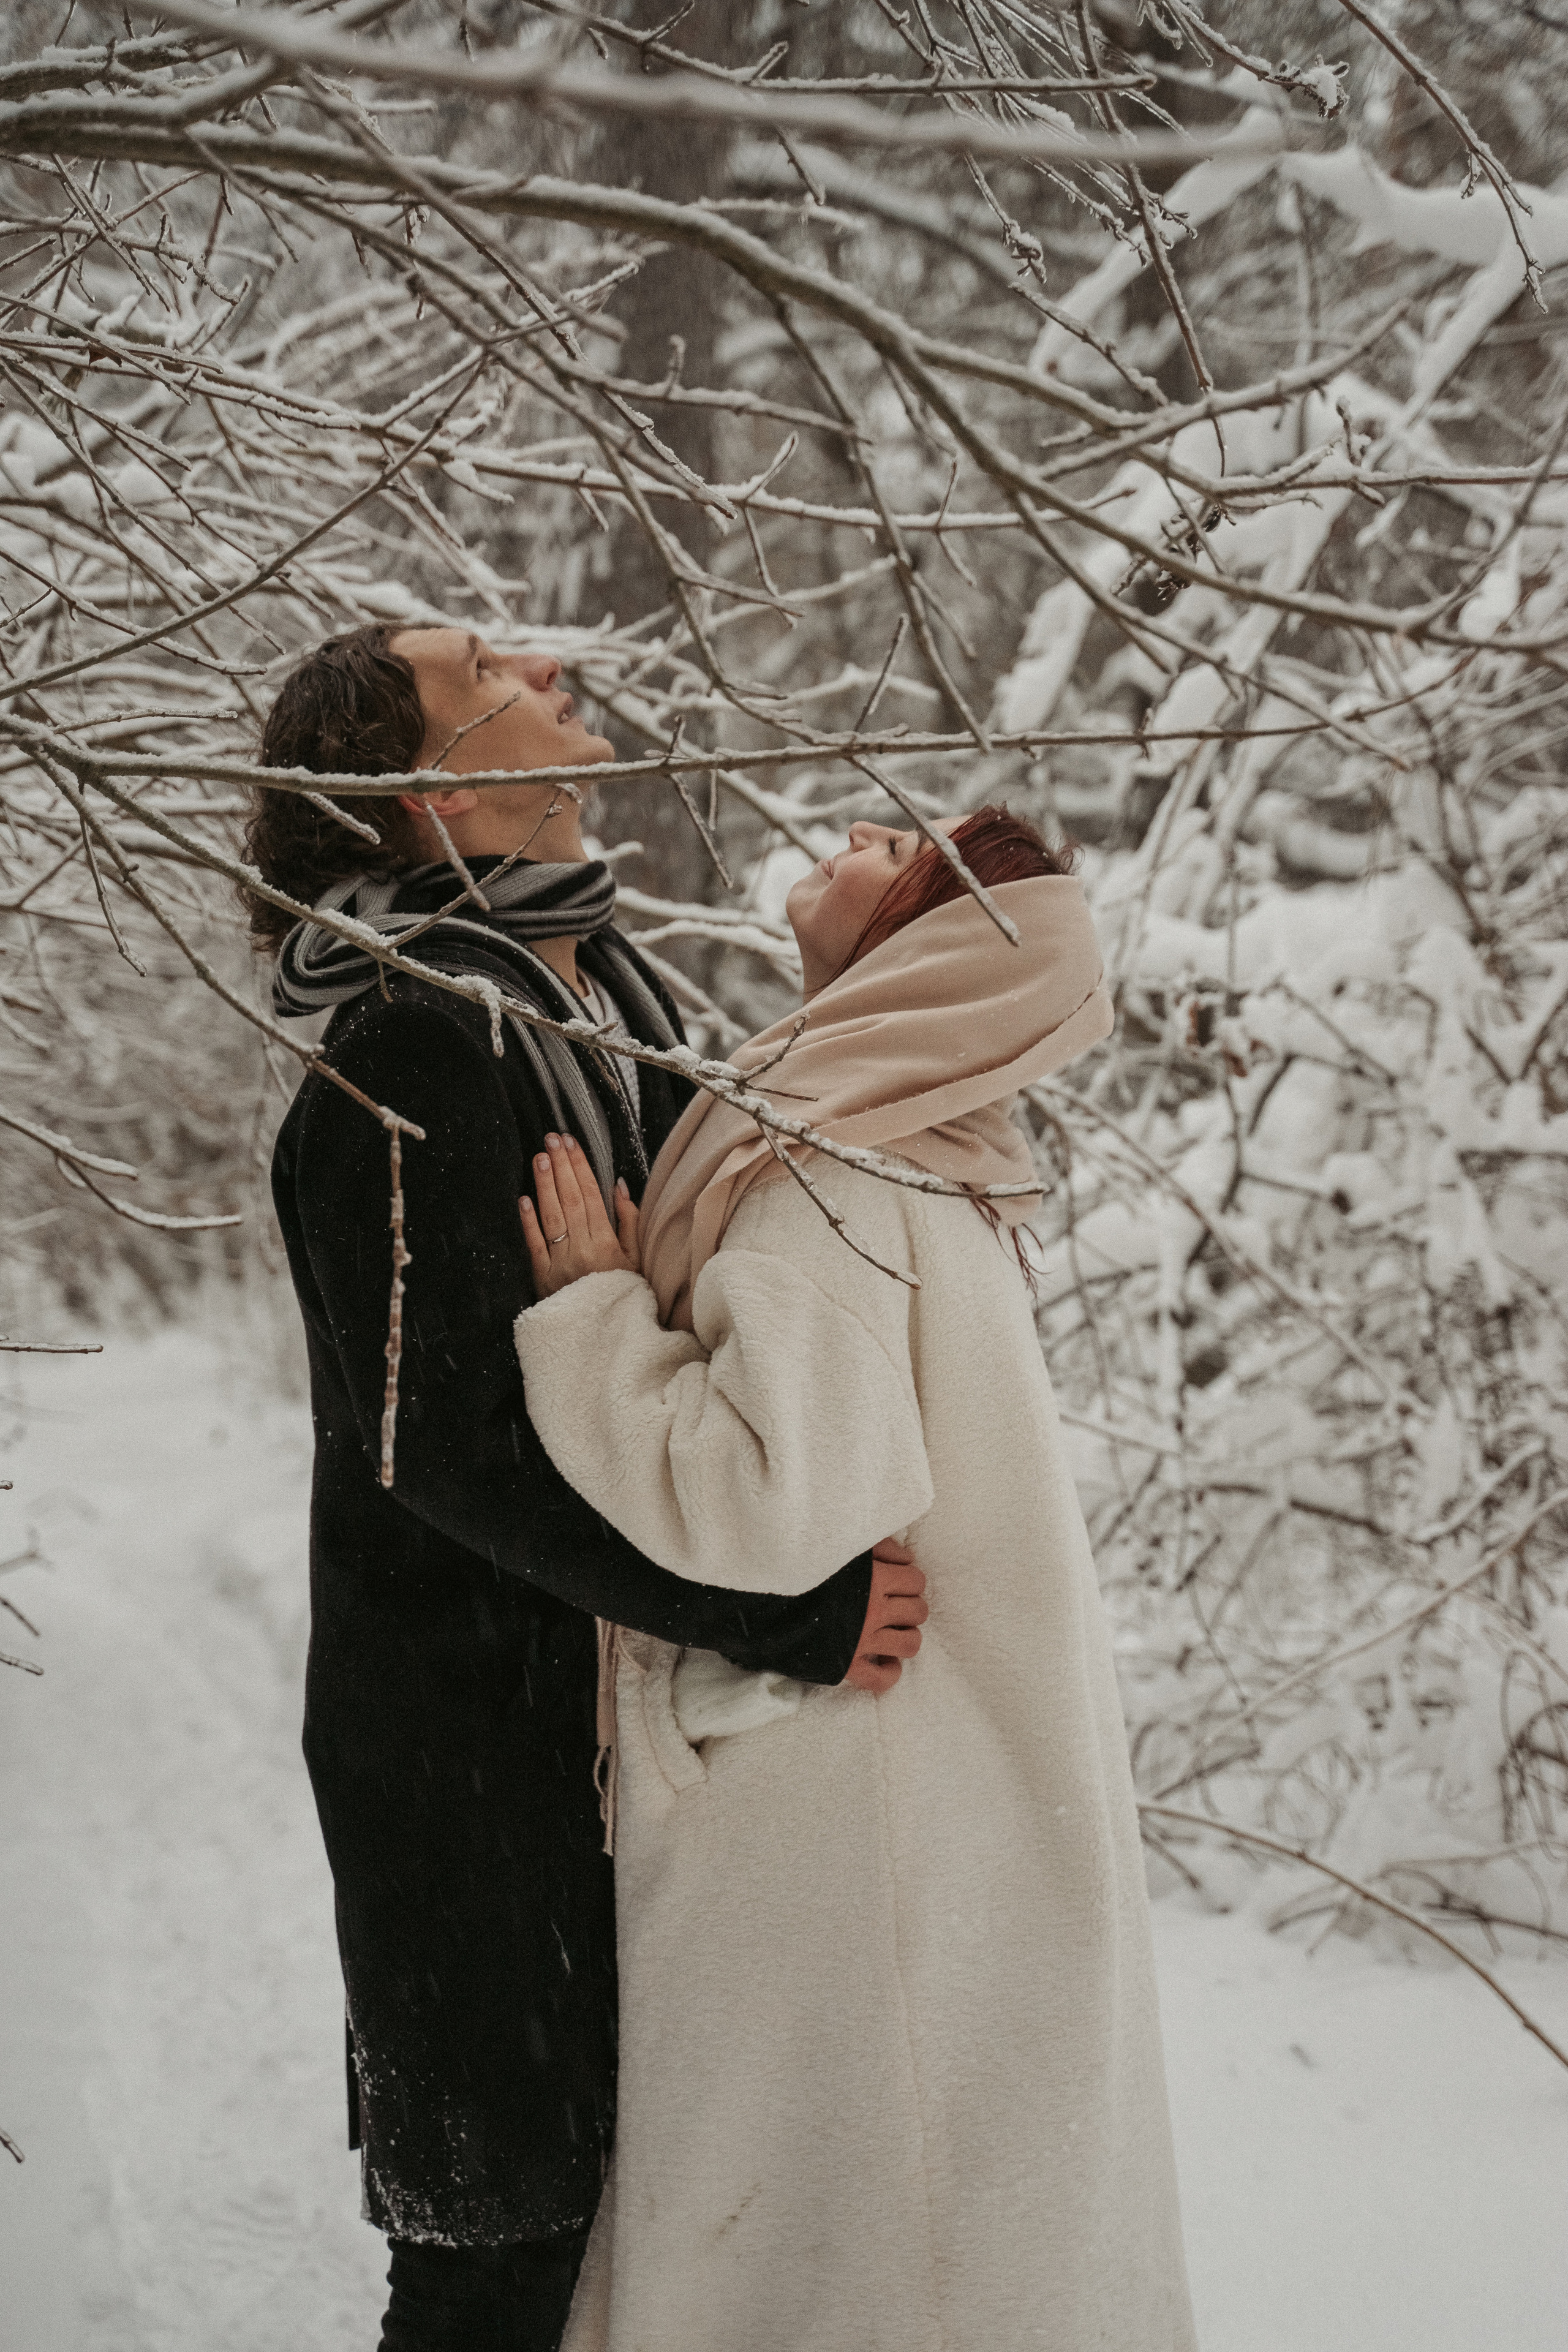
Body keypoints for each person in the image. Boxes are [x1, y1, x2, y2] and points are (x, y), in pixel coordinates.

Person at [246, 623, 928, 2352]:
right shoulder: (398, 1056)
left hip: (616, 1746)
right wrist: (782, 1612)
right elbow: (443, 1455)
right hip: (471, 1770)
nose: (551, 660)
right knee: (495, 2259)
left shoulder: (599, 994)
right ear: (415, 785)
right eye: (484, 662)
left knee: (637, 2254)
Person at [513, 806, 1197, 2352]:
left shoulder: (826, 1170)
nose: (850, 825)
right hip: (923, 1818)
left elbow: (771, 1501)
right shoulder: (920, 1152)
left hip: (852, 1831)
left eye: (902, 845)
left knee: (840, 2276)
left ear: (934, 943)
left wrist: (597, 1321)